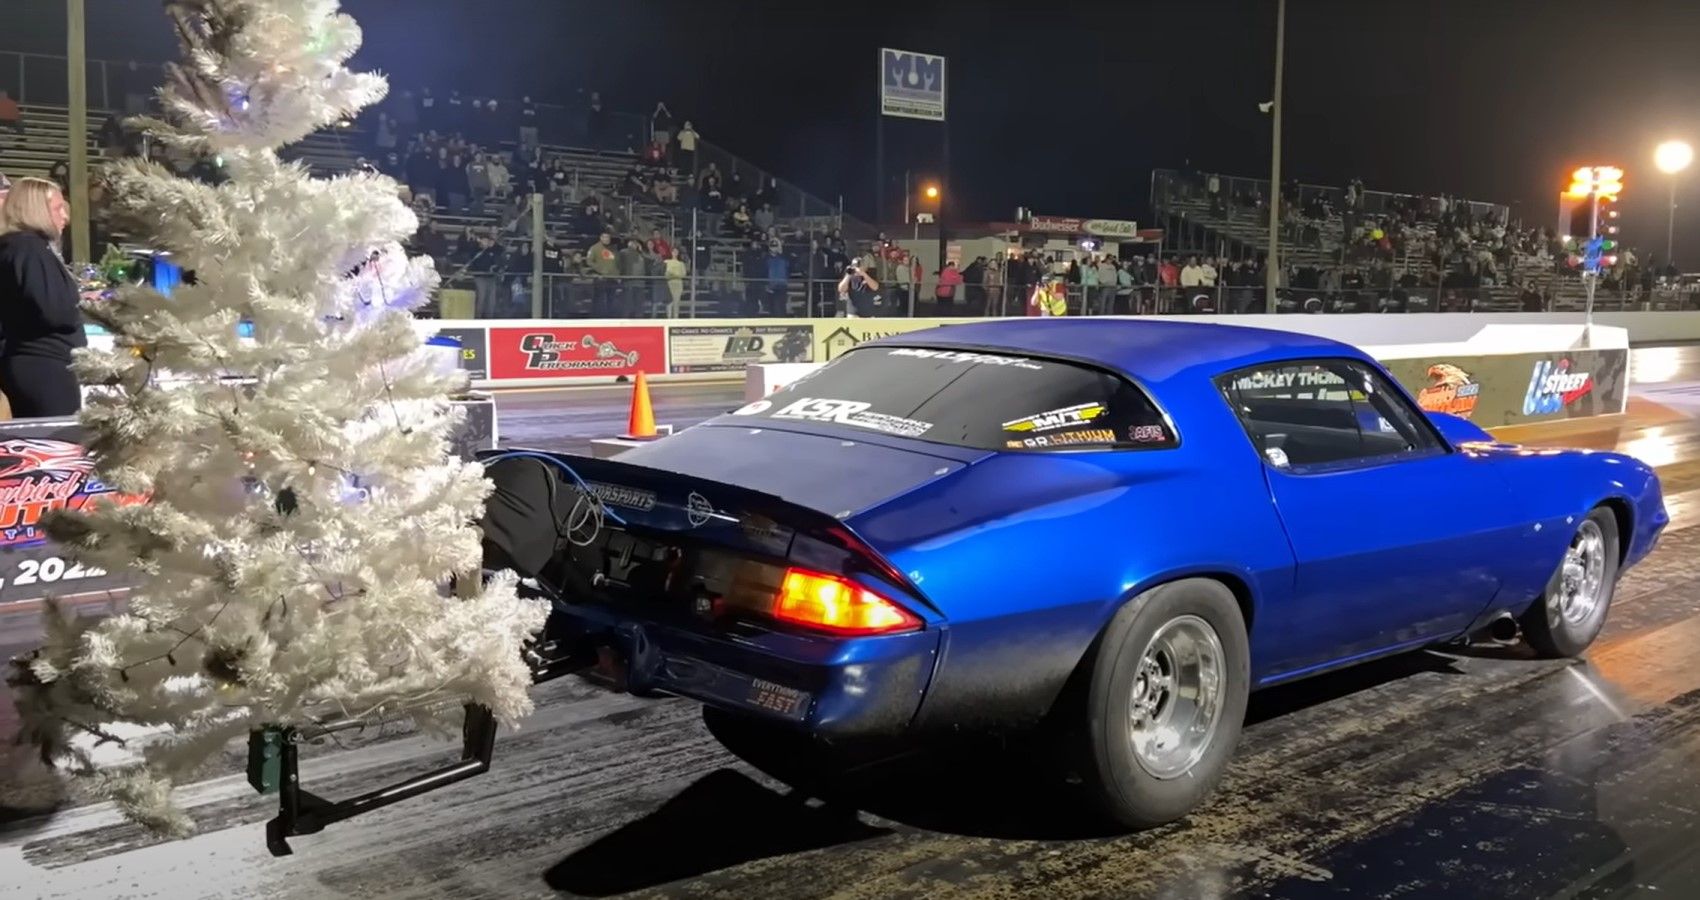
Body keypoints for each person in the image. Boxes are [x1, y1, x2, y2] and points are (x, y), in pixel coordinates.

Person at [0, 178, 85, 417]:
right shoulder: (29, 249)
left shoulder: (16, 248)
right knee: (55, 443)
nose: (65, 217)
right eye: (59, 209)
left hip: (36, 364)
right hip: (45, 366)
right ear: (37, 210)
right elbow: (56, 311)